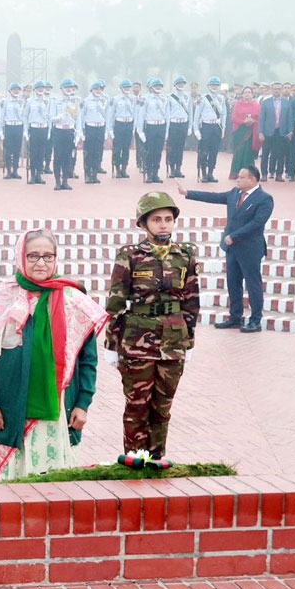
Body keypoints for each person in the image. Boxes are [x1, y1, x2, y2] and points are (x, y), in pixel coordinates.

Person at [0, 228, 106, 482]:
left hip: (59, 413)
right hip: (12, 409)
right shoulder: (3, 299)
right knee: (13, 487)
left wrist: (83, 403)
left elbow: (87, 360)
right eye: (33, 256)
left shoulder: (73, 300)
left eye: (48, 256)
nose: (41, 263)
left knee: (56, 486)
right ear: (20, 257)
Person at [104, 192, 200, 459]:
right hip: (137, 340)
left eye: (168, 219)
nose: (163, 225)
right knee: (137, 406)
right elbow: (115, 301)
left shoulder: (185, 254)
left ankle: (156, 459)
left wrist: (189, 341)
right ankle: (135, 460)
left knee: (162, 408)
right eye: (156, 219)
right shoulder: (130, 255)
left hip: (173, 341)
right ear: (143, 223)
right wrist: (111, 343)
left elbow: (191, 301)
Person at [178, 165, 273, 333]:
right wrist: (189, 193)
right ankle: (235, 317)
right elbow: (214, 197)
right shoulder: (235, 193)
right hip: (232, 248)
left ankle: (255, 320)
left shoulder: (264, 199)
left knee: (253, 284)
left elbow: (257, 223)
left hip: (250, 249)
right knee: (233, 282)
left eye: (242, 177)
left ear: (252, 179)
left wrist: (234, 236)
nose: (238, 179)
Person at [193, 76, 228, 183]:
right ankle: (203, 173)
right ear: (208, 86)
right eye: (212, 85)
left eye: (216, 85)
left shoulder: (222, 98)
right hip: (206, 126)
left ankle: (210, 173)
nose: (214, 87)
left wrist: (223, 128)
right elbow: (197, 115)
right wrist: (196, 130)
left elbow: (224, 114)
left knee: (214, 151)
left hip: (217, 127)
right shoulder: (203, 98)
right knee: (204, 151)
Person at [229, 87, 261, 179]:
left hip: (251, 132)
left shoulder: (256, 105)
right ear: (242, 94)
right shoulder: (238, 104)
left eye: (249, 92)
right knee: (239, 152)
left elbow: (260, 118)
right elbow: (234, 118)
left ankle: (249, 174)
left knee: (248, 153)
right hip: (240, 131)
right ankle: (236, 173)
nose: (247, 94)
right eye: (245, 92)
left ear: (252, 94)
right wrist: (244, 121)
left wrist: (253, 121)